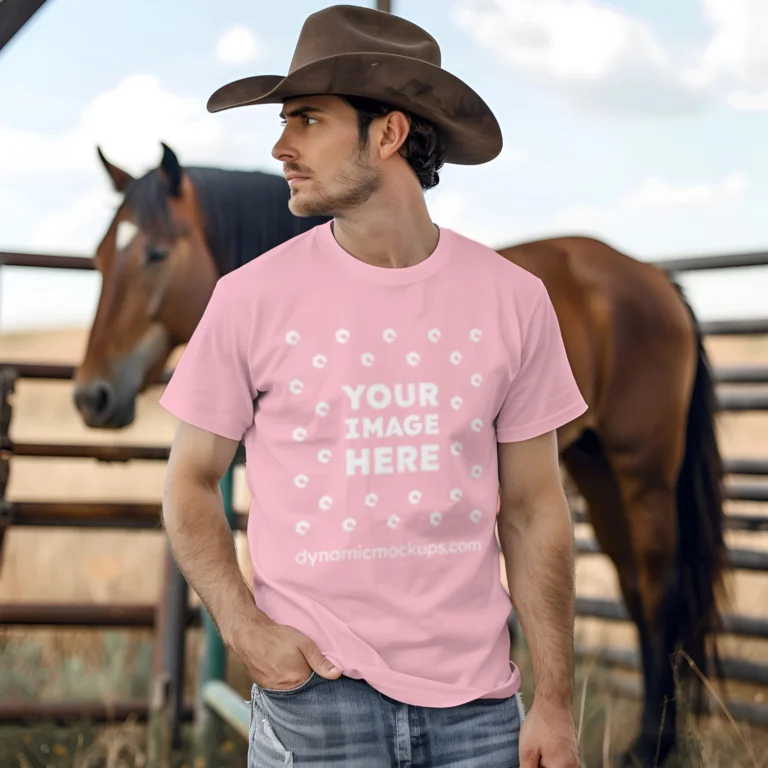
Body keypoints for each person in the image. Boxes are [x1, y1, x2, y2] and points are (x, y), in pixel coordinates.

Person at [159, 5, 587, 767]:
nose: (281, 146)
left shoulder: (513, 299)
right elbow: (190, 483)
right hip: (315, 703)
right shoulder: (250, 299)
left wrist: (552, 701)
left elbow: (532, 509)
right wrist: (244, 628)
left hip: (481, 714)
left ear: (386, 134)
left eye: (308, 120)